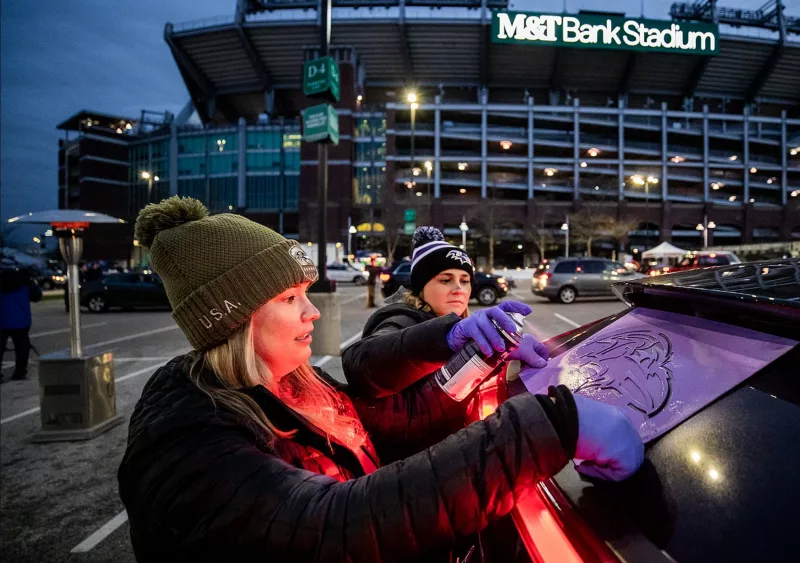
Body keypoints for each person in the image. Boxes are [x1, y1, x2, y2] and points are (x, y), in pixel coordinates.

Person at [117, 197, 644, 563]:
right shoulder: (187, 440)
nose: (313, 314)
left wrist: (477, 356)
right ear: (233, 318)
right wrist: (546, 428)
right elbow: (327, 527)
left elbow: (396, 424)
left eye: (306, 293)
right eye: (289, 299)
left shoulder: (293, 386)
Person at [343, 226, 549, 401]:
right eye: (445, 280)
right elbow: (363, 366)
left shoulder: (464, 323)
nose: (458, 288)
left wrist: (500, 358)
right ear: (420, 287)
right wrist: (444, 338)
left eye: (465, 280)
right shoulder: (399, 320)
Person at [1, 257, 42, 382]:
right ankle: (20, 372)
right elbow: (36, 296)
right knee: (22, 348)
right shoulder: (24, 281)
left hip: (2, 319)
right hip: (21, 319)